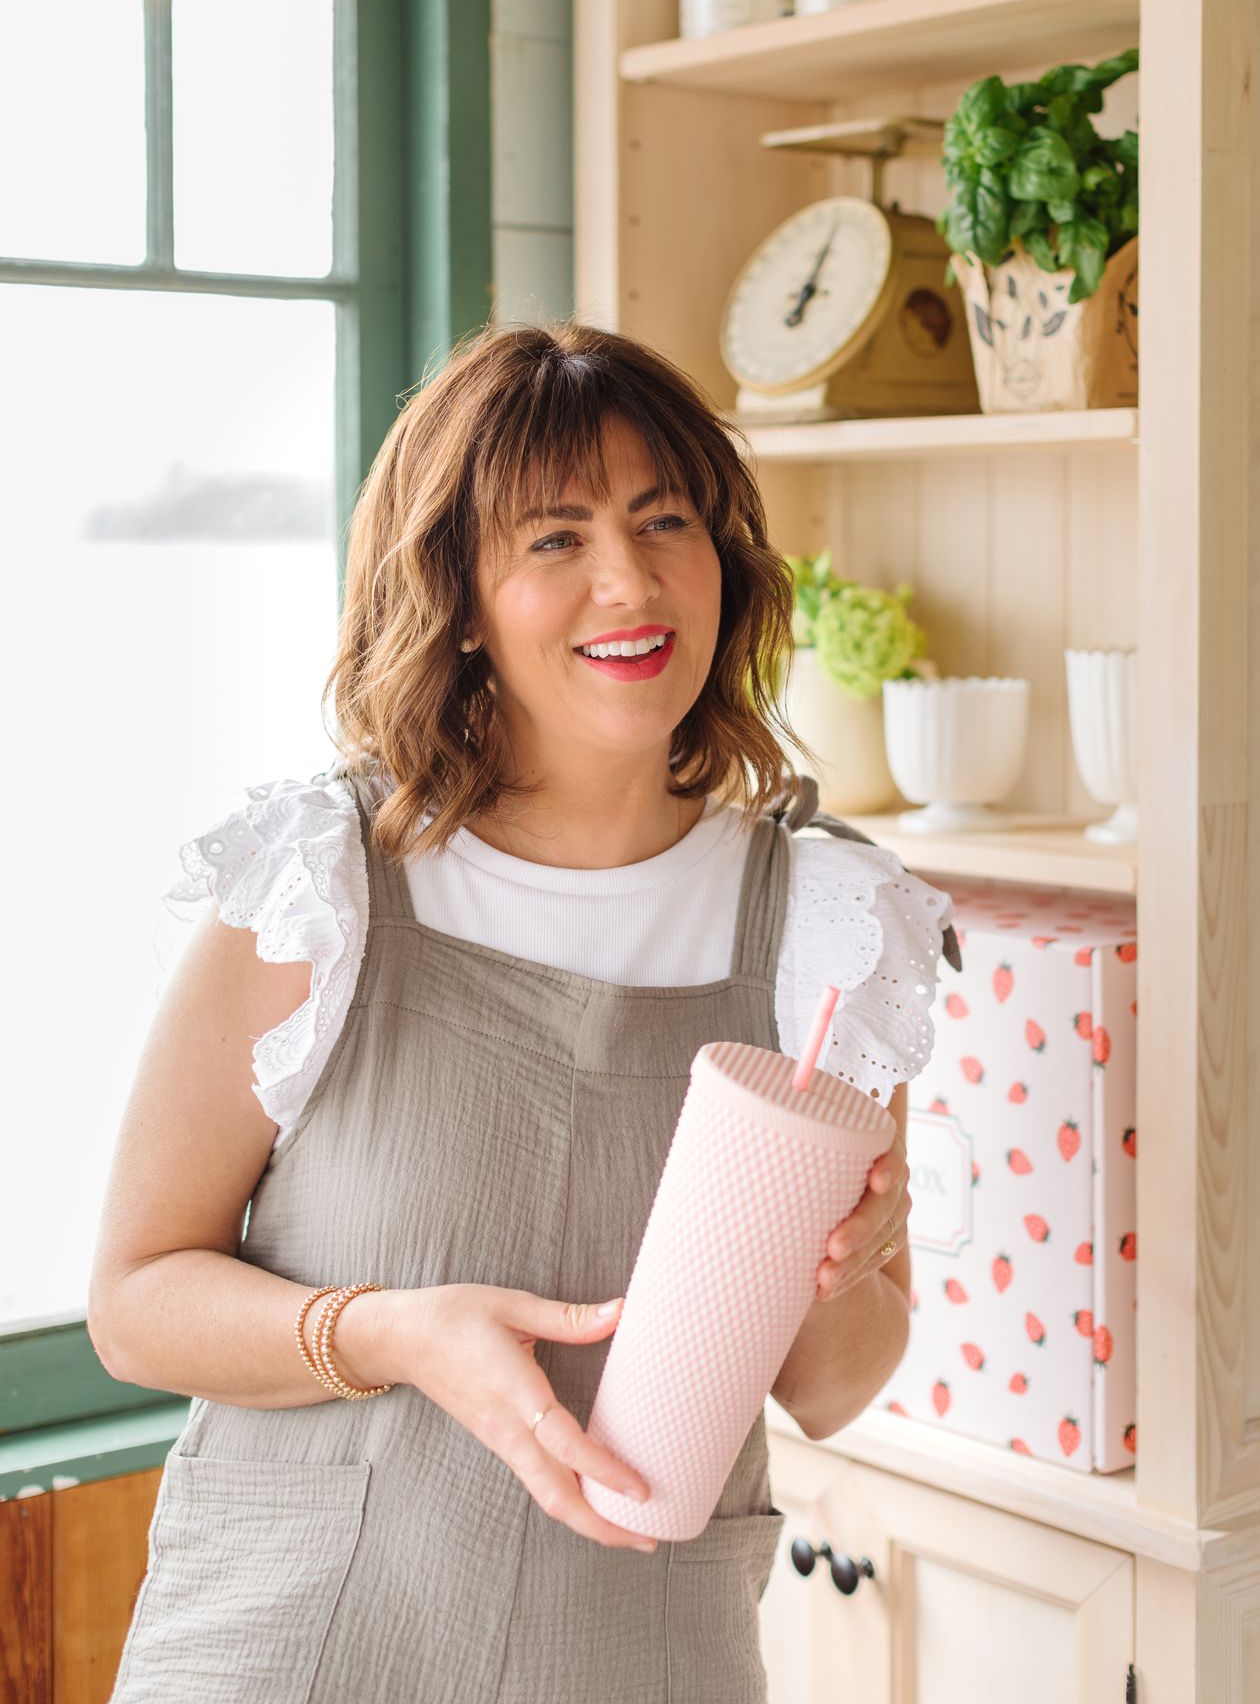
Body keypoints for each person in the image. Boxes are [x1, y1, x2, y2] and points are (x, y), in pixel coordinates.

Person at [90, 319, 958, 1703]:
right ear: (461, 595)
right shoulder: (323, 889)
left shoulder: (829, 936)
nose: (630, 580)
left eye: (663, 518)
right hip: (293, 1654)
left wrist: (848, 1265)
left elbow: (829, 1389)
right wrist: (385, 1335)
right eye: (554, 539)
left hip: (634, 1655)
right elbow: (135, 1306)